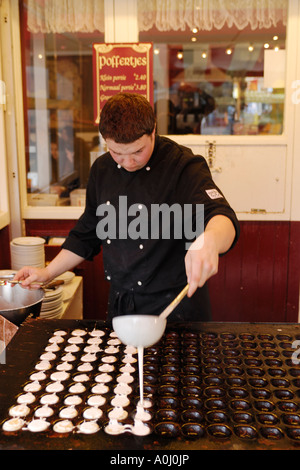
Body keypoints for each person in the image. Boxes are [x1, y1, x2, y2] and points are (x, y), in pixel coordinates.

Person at [14, 93, 239, 322]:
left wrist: (209, 240)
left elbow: (221, 217)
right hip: (123, 307)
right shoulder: (102, 169)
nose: (129, 162)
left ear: (153, 132)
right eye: (117, 154)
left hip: (177, 307)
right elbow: (87, 233)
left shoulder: (184, 166)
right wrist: (47, 273)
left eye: (137, 152)